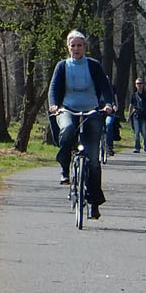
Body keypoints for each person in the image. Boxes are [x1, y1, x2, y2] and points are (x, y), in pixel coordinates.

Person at [48, 30, 117, 219]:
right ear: (68, 48)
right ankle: (64, 168)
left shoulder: (93, 65)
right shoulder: (62, 66)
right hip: (68, 108)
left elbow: (105, 87)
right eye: (73, 45)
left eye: (79, 45)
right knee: (68, 129)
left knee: (93, 160)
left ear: (85, 47)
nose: (76, 49)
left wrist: (109, 104)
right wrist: (54, 105)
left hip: (91, 110)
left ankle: (94, 203)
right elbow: (53, 88)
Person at [128, 77, 146, 153]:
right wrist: (129, 115)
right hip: (136, 115)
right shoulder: (134, 95)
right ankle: (137, 147)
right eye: (137, 83)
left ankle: (145, 143)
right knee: (137, 132)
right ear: (135, 85)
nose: (139, 85)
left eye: (140, 83)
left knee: (144, 132)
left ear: (143, 85)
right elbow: (131, 105)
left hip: (144, 116)